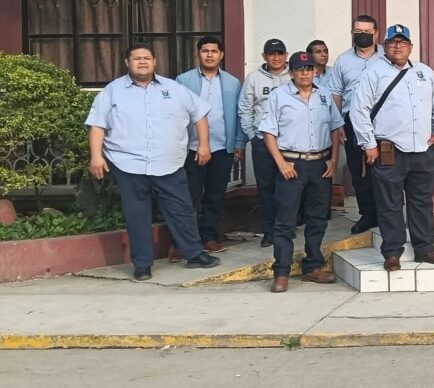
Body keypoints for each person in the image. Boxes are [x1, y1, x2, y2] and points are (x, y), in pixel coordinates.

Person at [86, 44, 221, 281]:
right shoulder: (112, 91)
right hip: (129, 164)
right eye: (136, 58)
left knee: (181, 210)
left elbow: (200, 115)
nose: (142, 62)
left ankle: (194, 253)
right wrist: (96, 156)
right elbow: (97, 124)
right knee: (137, 215)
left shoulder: (175, 89)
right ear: (127, 63)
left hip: (169, 163)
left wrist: (204, 145)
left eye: (146, 58)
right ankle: (142, 265)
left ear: (155, 62)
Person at [350, 24, 434, 271]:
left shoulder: (424, 72)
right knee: (390, 204)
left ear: (410, 46)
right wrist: (368, 144)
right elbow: (359, 110)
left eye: (403, 42)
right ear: (384, 45)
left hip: (423, 151)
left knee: (422, 202)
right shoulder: (373, 73)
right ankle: (392, 252)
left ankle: (425, 248)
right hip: (389, 151)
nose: (398, 46)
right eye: (393, 42)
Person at [259, 51, 343, 293]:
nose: (305, 73)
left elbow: (336, 128)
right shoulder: (279, 96)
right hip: (291, 165)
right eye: (299, 69)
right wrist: (281, 163)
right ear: (291, 72)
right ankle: (282, 272)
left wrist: (334, 159)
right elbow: (268, 132)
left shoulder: (324, 95)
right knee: (285, 221)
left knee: (317, 218)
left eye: (309, 69)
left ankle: (313, 266)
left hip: (320, 164)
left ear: (315, 71)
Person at [175, 36, 245, 259]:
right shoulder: (183, 81)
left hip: (222, 148)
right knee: (190, 196)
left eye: (214, 51)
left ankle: (209, 237)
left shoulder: (232, 83)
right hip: (192, 148)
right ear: (198, 54)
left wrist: (239, 143)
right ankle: (185, 241)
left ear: (221, 55)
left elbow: (238, 113)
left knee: (215, 196)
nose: (209, 55)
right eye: (205, 51)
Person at [330, 15, 384, 235]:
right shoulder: (343, 61)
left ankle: (386, 212)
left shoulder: (387, 57)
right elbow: (336, 93)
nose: (362, 35)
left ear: (376, 34)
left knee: (385, 169)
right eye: (358, 31)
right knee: (359, 170)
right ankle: (368, 214)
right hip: (352, 122)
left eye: (367, 31)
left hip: (383, 122)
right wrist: (339, 124)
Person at [239, 38, 291, 247]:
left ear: (286, 55)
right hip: (262, 143)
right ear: (264, 56)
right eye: (271, 54)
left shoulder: (294, 75)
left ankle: (286, 227)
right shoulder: (253, 78)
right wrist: (252, 135)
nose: (276, 58)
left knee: (288, 188)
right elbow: (245, 108)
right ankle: (269, 231)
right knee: (266, 188)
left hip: (288, 144)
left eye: (280, 53)